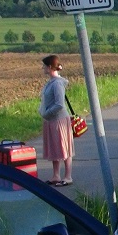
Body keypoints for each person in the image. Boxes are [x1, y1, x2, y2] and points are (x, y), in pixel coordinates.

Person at [39, 55, 74, 186]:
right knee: (55, 147)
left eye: (44, 66)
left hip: (58, 120)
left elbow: (59, 104)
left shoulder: (58, 83)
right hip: (50, 120)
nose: (42, 68)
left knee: (64, 148)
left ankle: (68, 176)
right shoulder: (51, 82)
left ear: (49, 67)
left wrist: (47, 113)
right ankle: (56, 175)